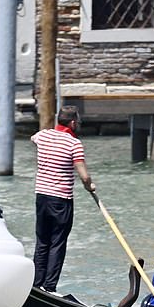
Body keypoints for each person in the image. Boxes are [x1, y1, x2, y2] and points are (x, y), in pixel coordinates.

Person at [31, 104, 95, 293]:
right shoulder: (74, 144)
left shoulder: (42, 135)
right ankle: (50, 286)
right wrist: (89, 186)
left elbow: (32, 139)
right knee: (58, 242)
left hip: (42, 196)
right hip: (61, 199)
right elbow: (83, 174)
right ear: (73, 122)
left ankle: (36, 283)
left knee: (42, 240)